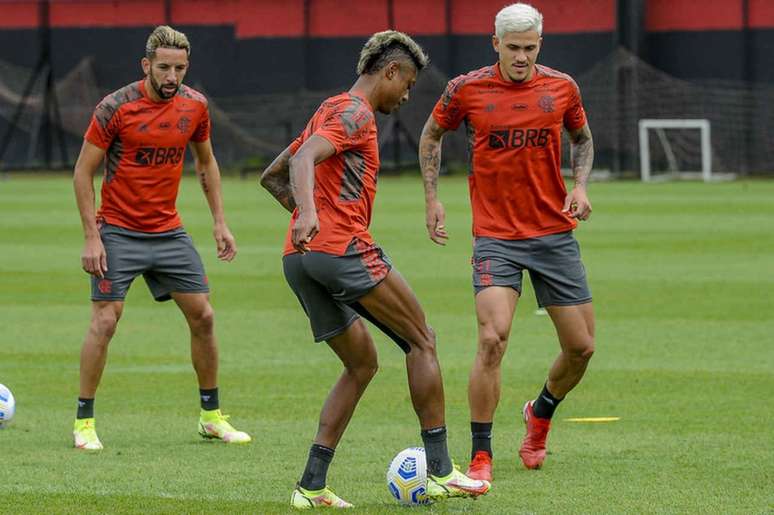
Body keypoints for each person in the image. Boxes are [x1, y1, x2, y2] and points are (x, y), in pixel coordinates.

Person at [260, 30, 490, 509]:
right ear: (390, 71)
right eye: (406, 84)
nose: (406, 95)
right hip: (342, 249)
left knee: (361, 365)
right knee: (421, 339)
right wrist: (310, 215)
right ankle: (442, 472)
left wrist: (308, 223)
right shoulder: (355, 112)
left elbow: (272, 175)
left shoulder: (328, 107)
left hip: (300, 260)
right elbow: (302, 159)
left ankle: (311, 486)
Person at [418, 2, 595, 480]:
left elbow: (580, 137)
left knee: (581, 348)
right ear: (495, 43)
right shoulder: (467, 89)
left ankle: (539, 413)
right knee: (492, 339)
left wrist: (579, 185)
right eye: (513, 48)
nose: (521, 57)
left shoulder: (561, 88)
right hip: (495, 235)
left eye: (530, 48)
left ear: (541, 44)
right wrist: (432, 199)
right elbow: (432, 135)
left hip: (554, 232)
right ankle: (481, 454)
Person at [72, 25, 250, 450]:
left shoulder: (195, 107)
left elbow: (206, 165)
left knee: (203, 317)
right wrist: (92, 237)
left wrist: (219, 222)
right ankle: (83, 424)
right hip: (117, 231)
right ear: (146, 65)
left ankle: (210, 417)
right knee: (106, 320)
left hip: (168, 231)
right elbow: (83, 172)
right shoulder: (114, 107)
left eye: (181, 68)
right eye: (165, 67)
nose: (173, 76)